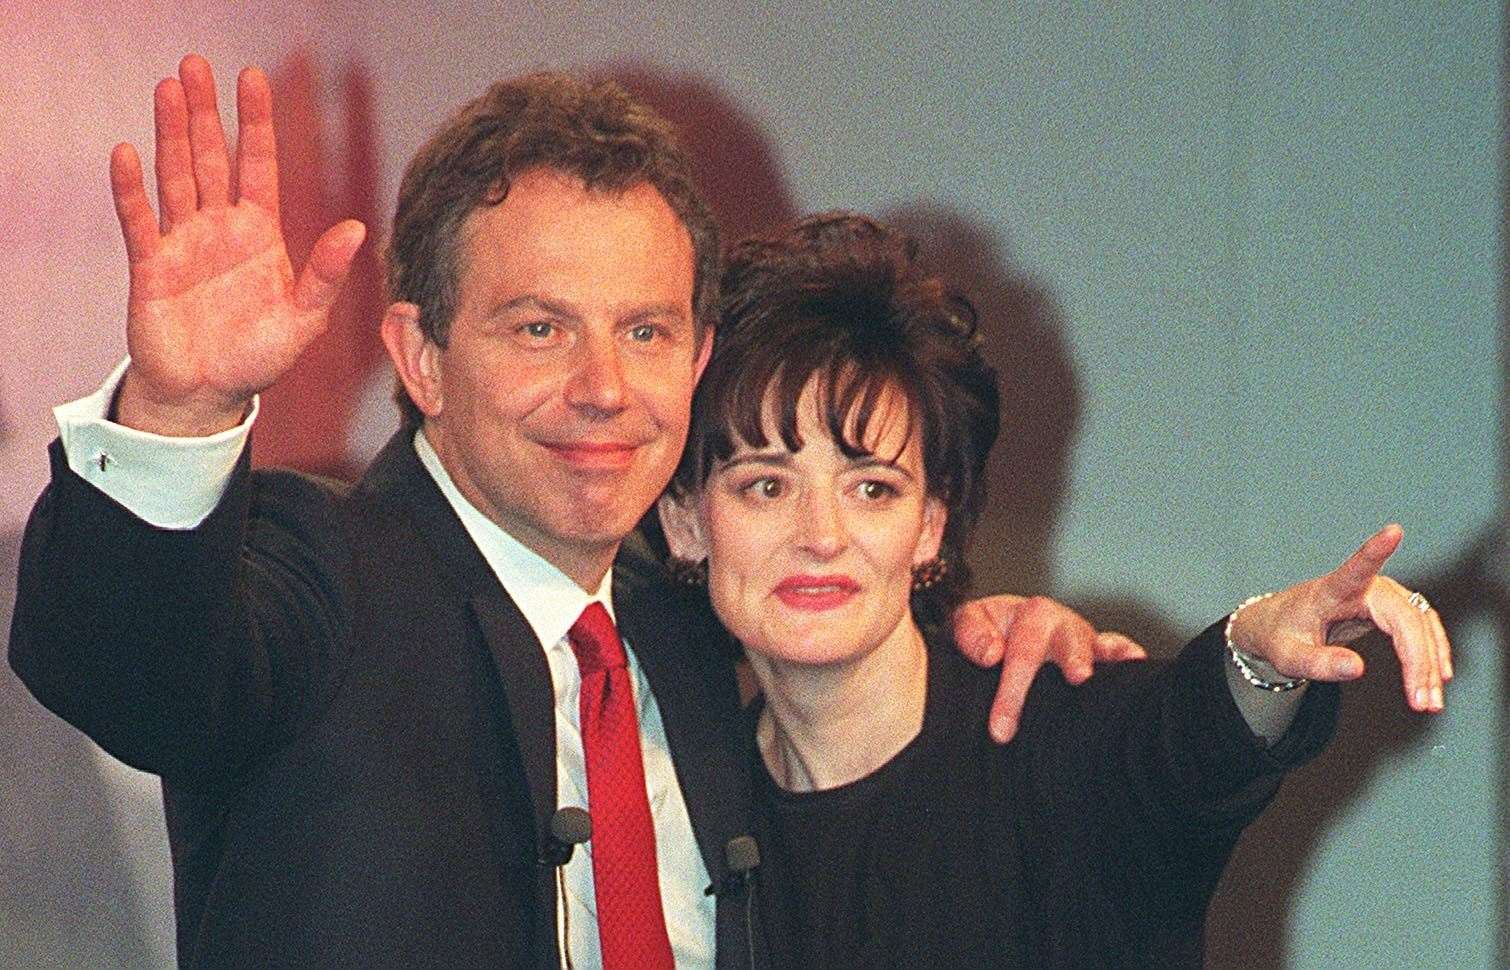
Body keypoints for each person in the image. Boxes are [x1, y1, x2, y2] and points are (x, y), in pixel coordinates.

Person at [8, 56, 1139, 969]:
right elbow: (130, 670)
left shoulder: (703, 628)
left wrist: (1000, 633)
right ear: (422, 355)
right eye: (540, 327)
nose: (604, 386)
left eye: (644, 331)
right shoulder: (319, 569)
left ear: (697, 359)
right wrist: (179, 410)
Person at [657, 212, 1452, 968]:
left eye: (873, 489)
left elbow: (1189, 743)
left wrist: (1259, 652)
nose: (820, 535)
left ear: (931, 524)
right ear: (688, 521)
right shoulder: (685, 805)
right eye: (765, 486)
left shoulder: (1057, 730)